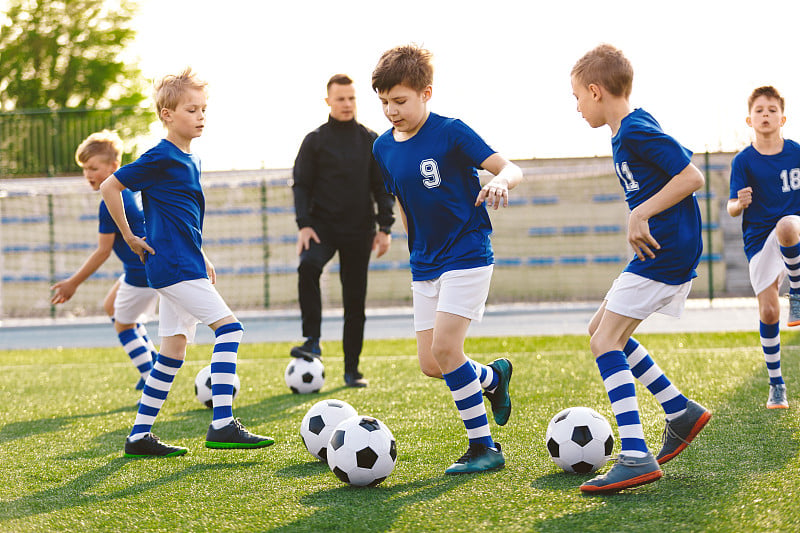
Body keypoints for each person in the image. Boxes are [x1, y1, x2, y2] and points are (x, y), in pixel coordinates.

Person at [100, 68, 274, 458]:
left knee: (172, 353)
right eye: (191, 109)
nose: (200, 116)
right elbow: (111, 185)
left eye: (203, 109)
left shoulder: (189, 159)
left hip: (184, 264)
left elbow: (182, 219)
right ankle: (223, 423)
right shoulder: (161, 156)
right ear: (167, 114)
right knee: (230, 330)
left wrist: (203, 255)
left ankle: (139, 435)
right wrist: (129, 235)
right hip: (174, 267)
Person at [371, 44, 522, 474]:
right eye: (384, 102)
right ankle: (493, 378)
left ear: (426, 93)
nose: (391, 111)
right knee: (431, 364)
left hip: (467, 252)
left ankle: (484, 447)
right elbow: (402, 201)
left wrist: (500, 183)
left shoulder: (451, 132)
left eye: (399, 101)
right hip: (425, 263)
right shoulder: (382, 147)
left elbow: (509, 167)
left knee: (446, 348)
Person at [570, 44, 712, 493]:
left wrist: (640, 213)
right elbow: (675, 163)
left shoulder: (633, 130)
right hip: (663, 247)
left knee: (604, 341)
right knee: (601, 329)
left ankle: (635, 455)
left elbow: (692, 176)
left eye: (577, 97)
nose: (577, 107)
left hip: (664, 248)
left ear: (595, 91)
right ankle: (679, 411)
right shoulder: (632, 129)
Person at [290, 74, 395, 388]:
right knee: (308, 266)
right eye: (340, 99)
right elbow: (301, 185)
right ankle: (312, 340)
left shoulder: (371, 140)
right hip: (321, 228)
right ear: (328, 102)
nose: (347, 104)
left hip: (359, 230)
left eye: (351, 98)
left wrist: (385, 228)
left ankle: (352, 370)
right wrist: (304, 225)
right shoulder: (315, 140)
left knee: (355, 301)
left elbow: (383, 188)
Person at [51, 131, 159, 391]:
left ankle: (151, 380)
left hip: (139, 272)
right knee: (111, 304)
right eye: (84, 169)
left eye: (93, 168)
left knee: (123, 325)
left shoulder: (108, 201)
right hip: (146, 268)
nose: (88, 174)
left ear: (113, 167)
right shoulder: (131, 187)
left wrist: (72, 283)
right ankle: (151, 360)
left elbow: (102, 251)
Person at [728, 85, 800, 410]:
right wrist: (738, 204)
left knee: (788, 225)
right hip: (759, 239)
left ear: (783, 117)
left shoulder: (797, 152)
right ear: (749, 119)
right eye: (759, 110)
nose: (766, 114)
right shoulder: (744, 161)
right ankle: (776, 384)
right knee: (769, 311)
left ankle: (797, 295)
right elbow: (730, 206)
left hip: (793, 230)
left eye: (772, 109)